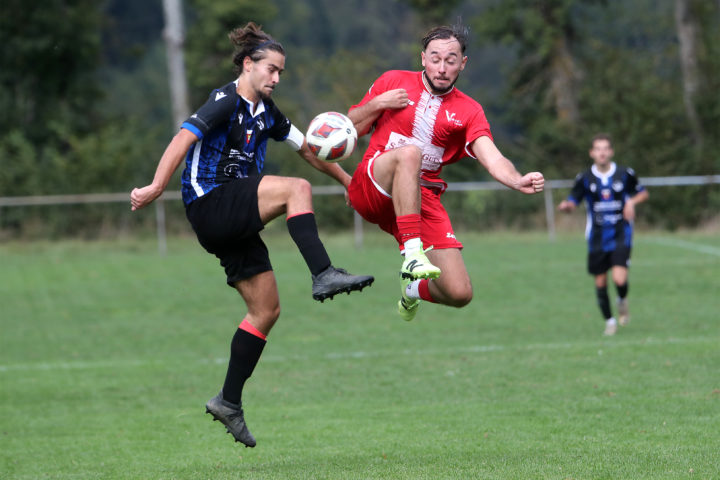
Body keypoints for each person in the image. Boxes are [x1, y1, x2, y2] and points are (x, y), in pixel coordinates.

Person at [130, 22, 373, 447]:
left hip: (230, 217)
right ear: (248, 64)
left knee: (266, 311)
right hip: (211, 202)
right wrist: (155, 186)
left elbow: (310, 152)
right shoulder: (225, 101)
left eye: (280, 72)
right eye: (271, 70)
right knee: (296, 189)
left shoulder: (269, 114)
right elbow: (182, 140)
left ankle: (228, 401)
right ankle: (323, 273)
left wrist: (349, 182)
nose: (276, 78)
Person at [346, 23, 545, 321]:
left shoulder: (469, 111)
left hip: (421, 196)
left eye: (450, 61)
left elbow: (492, 157)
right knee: (410, 154)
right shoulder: (392, 81)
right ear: (423, 58)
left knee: (459, 292)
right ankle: (413, 255)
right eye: (435, 59)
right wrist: (377, 103)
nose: (441, 68)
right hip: (374, 184)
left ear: (462, 64)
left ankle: (411, 289)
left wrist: (516, 179)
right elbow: (350, 128)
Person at [558, 133, 648, 336]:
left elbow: (643, 192)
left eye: (606, 148)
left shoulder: (625, 174)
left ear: (611, 152)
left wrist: (631, 202)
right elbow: (574, 200)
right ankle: (610, 321)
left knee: (619, 279)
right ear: (592, 153)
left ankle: (622, 300)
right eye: (598, 149)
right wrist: (567, 206)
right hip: (597, 236)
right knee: (600, 282)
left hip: (620, 233)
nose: (602, 152)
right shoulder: (585, 178)